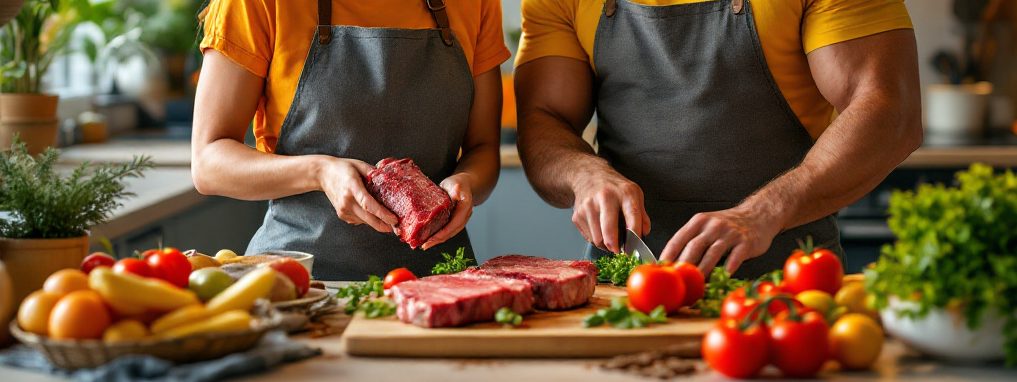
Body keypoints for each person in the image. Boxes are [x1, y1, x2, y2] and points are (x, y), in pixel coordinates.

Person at [514, 0, 922, 278]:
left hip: (791, 292)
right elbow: (543, 119)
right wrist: (584, 174)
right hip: (625, 294)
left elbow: (890, 110)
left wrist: (765, 211)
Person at [191, 0, 509, 280]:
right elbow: (208, 162)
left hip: (442, 282)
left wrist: (467, 181)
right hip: (301, 282)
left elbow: (482, 148)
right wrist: (320, 172)